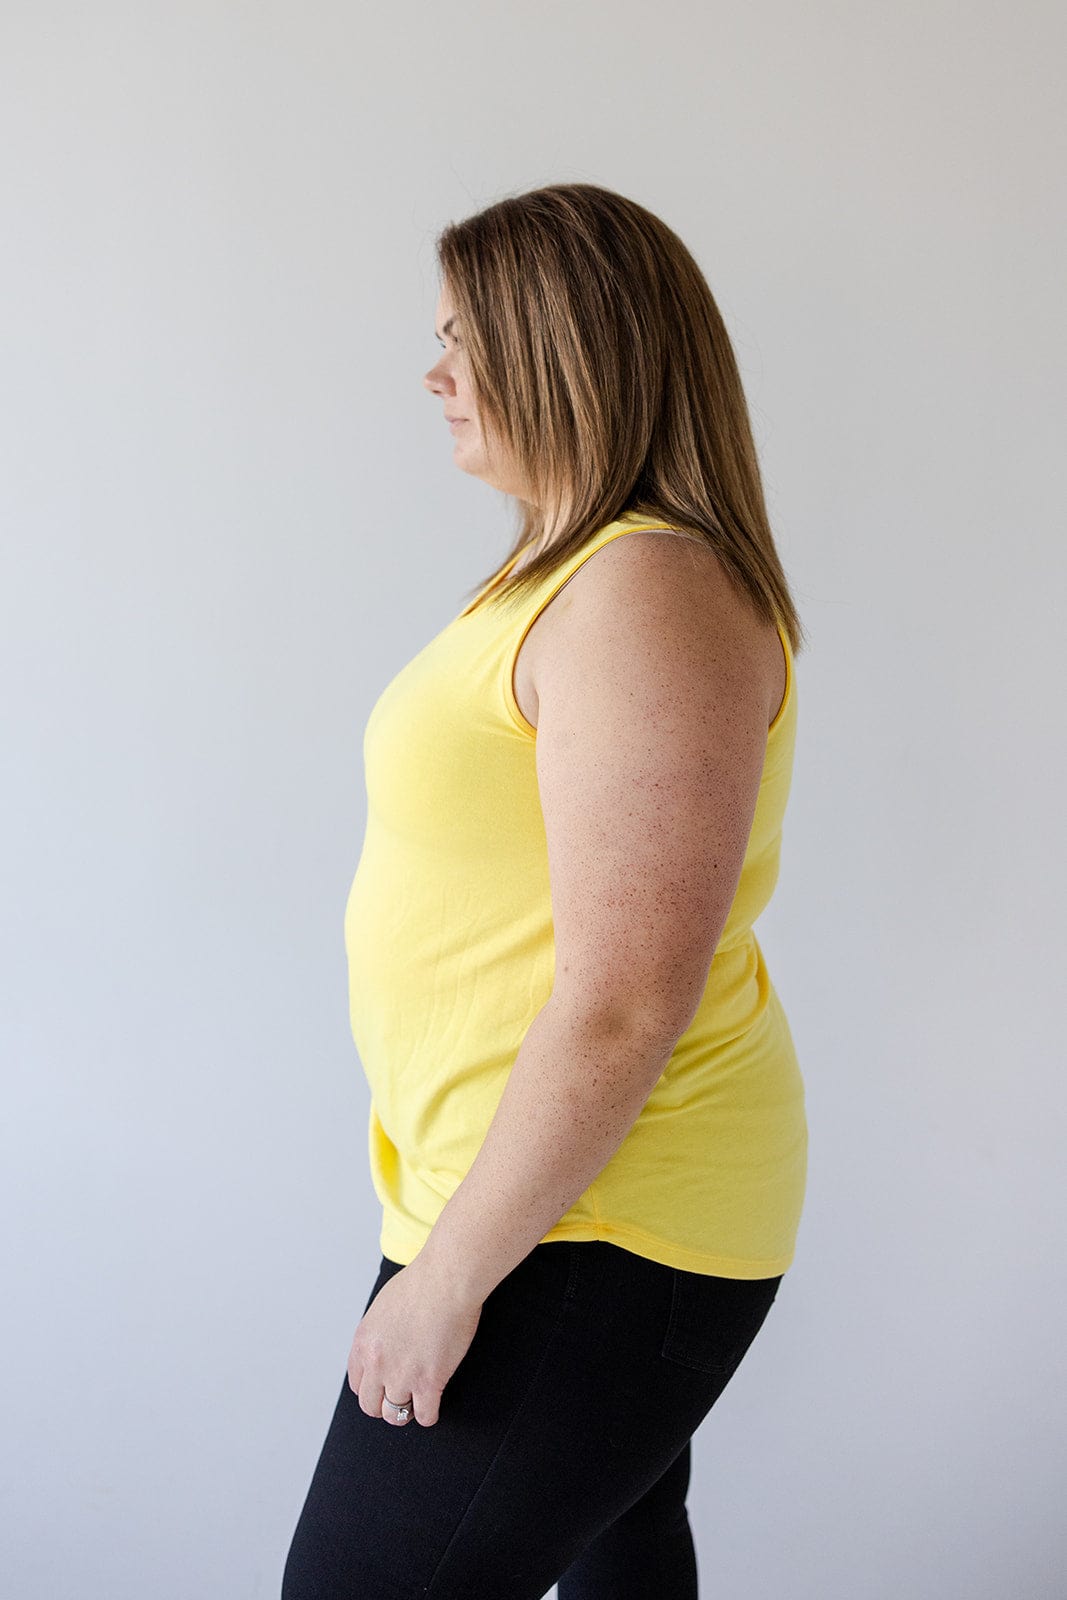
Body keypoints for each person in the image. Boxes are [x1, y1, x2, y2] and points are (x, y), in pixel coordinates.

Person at [281, 181, 808, 1600]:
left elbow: (631, 995)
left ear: (567, 350)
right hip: (533, 1199)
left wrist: (448, 1281)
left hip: (591, 1222)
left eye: (467, 336)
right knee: (625, 1562)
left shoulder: (648, 592)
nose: (435, 371)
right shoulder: (569, 576)